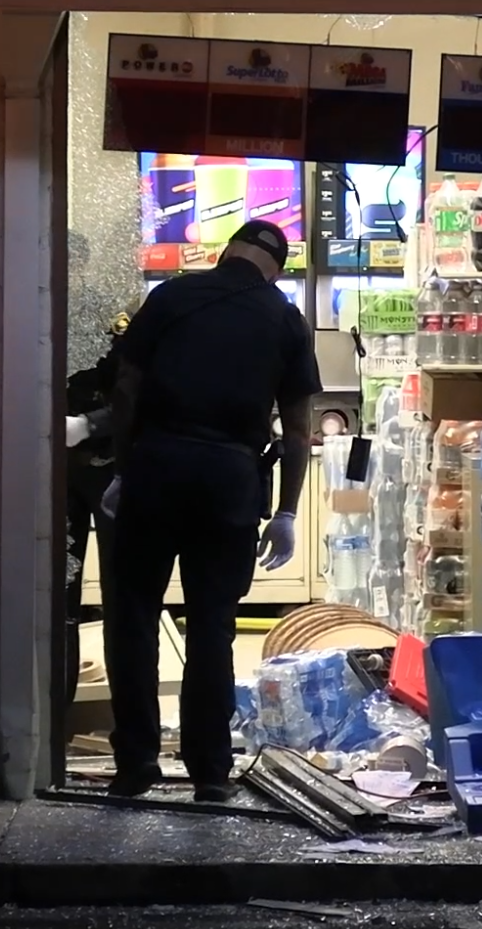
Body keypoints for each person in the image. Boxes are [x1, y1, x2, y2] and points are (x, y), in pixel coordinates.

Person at [101, 220, 321, 801]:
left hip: (158, 464)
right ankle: (210, 773)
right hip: (229, 479)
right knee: (212, 626)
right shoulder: (285, 319)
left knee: (133, 617)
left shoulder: (169, 295)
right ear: (276, 265)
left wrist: (126, 468)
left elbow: (126, 388)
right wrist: (287, 511)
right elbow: (298, 431)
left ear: (227, 254)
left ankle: (135, 767)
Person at [62, 310, 132, 708]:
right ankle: (58, 720)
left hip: (111, 465)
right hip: (60, 468)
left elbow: (139, 394)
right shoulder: (49, 313)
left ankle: (130, 724)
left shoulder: (119, 324)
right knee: (59, 602)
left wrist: (90, 424)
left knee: (121, 597)